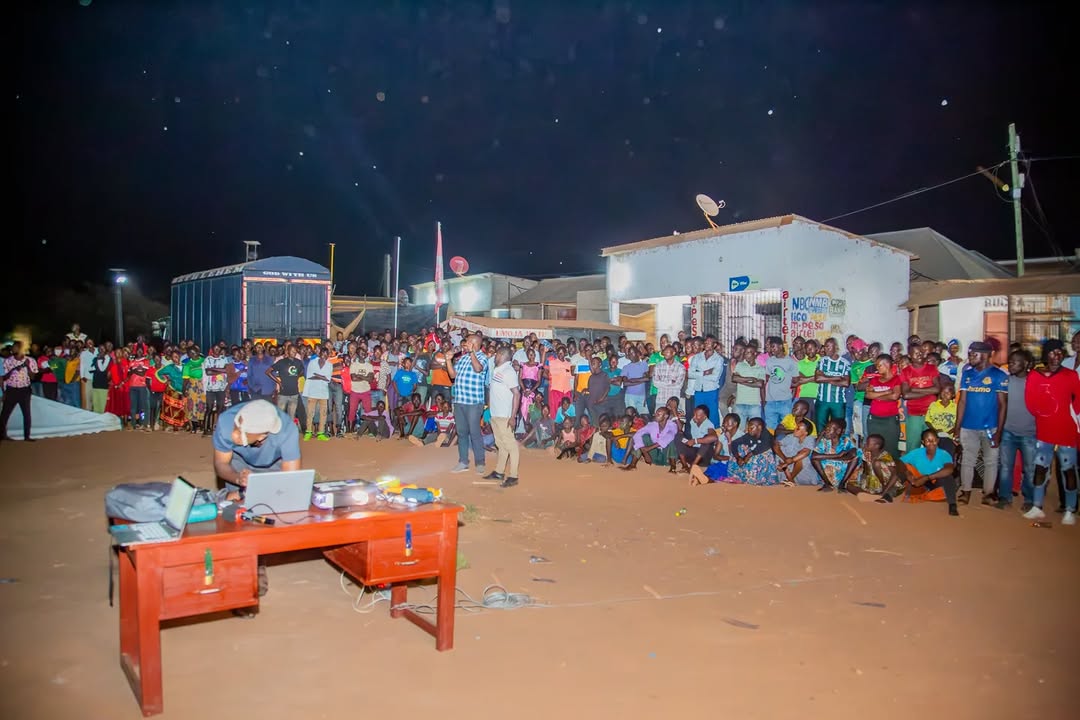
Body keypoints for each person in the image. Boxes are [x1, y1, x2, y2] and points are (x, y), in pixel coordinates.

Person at [1023, 339, 1080, 525]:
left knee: (1069, 470)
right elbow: (1030, 402)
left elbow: (1078, 402)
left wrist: (1072, 417)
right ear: (1045, 355)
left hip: (1066, 432)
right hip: (1044, 432)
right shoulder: (1035, 375)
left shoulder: (1070, 375)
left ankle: (1070, 509)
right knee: (1040, 469)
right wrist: (1044, 414)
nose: (1057, 356)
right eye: (1052, 353)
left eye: (1059, 352)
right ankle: (1037, 506)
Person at [952, 341, 1008, 505]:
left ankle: (988, 493)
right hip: (968, 426)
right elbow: (962, 402)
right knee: (967, 460)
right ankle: (966, 491)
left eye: (972, 354)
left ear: (984, 355)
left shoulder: (999, 375)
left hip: (990, 427)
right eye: (969, 354)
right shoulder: (967, 374)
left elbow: (1003, 405)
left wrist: (999, 432)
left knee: (991, 461)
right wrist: (957, 428)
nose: (969, 357)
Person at [212, 399, 302, 492]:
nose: (234, 434)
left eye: (242, 433)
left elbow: (290, 477)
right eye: (236, 425)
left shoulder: (287, 432)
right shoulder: (225, 421)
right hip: (239, 461)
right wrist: (238, 478)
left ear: (262, 436)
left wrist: (263, 484)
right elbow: (221, 463)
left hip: (273, 464)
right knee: (237, 502)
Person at [997, 349, 1038, 511]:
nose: (1010, 365)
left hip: (1030, 433)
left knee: (1030, 469)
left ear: (1026, 364)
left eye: (1015, 362)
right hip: (1008, 431)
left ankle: (1029, 499)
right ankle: (1004, 497)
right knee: (1006, 466)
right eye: (1010, 362)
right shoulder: (1007, 381)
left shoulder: (1034, 382)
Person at [448, 334, 489, 474]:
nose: (466, 343)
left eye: (469, 341)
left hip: (473, 402)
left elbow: (478, 369)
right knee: (462, 432)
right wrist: (448, 361)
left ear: (476, 344)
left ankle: (480, 462)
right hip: (459, 401)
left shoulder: (482, 357)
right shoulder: (463, 358)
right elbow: (453, 376)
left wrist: (471, 353)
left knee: (475, 432)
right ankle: (463, 461)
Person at [897, 429, 959, 515]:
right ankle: (892, 492)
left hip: (934, 481)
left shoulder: (943, 454)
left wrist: (927, 477)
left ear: (937, 440)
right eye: (927, 440)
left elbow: (949, 469)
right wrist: (908, 473)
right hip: (919, 481)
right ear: (923, 442)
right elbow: (900, 462)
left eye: (933, 440)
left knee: (948, 478)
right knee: (905, 467)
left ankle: (952, 504)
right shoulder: (917, 452)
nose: (931, 443)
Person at [486, 347, 521, 488]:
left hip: (505, 415)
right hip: (496, 414)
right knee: (500, 444)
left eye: (496, 354)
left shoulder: (509, 371)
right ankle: (499, 471)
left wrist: (513, 416)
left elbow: (517, 394)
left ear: (501, 355)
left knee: (511, 445)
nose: (494, 356)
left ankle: (513, 476)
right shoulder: (498, 370)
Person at [862, 354, 903, 459]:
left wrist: (876, 396)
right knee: (874, 448)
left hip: (890, 419)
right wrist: (886, 392)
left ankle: (891, 472)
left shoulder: (896, 379)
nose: (877, 368)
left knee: (891, 447)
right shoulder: (874, 380)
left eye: (879, 365)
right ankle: (874, 472)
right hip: (874, 418)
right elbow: (868, 395)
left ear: (887, 365)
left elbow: (895, 396)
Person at [900, 344, 940, 448]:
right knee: (913, 446)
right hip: (914, 414)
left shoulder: (932, 368)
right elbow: (906, 395)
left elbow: (937, 389)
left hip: (931, 414)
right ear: (909, 355)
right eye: (916, 353)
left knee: (932, 447)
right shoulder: (906, 371)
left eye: (921, 353)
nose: (920, 355)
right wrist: (929, 391)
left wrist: (914, 389)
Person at [620, 407, 679, 471]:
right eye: (656, 413)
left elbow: (668, 437)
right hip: (653, 456)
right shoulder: (652, 425)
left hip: (666, 457)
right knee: (644, 437)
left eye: (658, 414)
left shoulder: (672, 425)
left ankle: (673, 467)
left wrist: (648, 449)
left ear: (666, 416)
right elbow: (638, 434)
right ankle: (632, 465)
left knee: (672, 441)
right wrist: (644, 451)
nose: (655, 415)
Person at [0, 342, 37, 443]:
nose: (12, 349)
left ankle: (27, 436)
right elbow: (4, 377)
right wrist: (13, 369)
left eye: (15, 347)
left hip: (24, 390)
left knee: (26, 414)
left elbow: (33, 377)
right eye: (12, 347)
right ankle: (2, 435)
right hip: (11, 390)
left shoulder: (30, 360)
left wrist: (28, 367)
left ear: (21, 349)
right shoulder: (8, 361)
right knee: (4, 414)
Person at [811, 419, 859, 491]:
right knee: (814, 460)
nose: (826, 431)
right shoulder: (824, 441)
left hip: (841, 469)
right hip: (827, 471)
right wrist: (837, 455)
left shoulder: (846, 440)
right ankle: (827, 484)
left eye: (829, 429)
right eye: (826, 428)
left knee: (857, 457)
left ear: (838, 431)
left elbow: (853, 453)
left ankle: (842, 483)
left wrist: (835, 458)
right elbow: (814, 456)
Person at [814, 337, 851, 432]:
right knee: (821, 428)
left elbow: (846, 383)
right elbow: (818, 378)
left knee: (838, 428)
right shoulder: (822, 361)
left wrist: (825, 378)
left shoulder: (845, 363)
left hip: (838, 402)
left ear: (836, 347)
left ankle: (836, 446)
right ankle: (820, 446)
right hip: (822, 400)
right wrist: (837, 378)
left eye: (828, 346)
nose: (826, 349)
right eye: (825, 347)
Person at [846, 434, 899, 500]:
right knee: (848, 485)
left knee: (876, 463)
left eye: (868, 443)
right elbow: (866, 470)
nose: (865, 444)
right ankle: (871, 496)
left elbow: (895, 475)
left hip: (885, 485)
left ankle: (881, 494)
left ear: (876, 446)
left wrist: (883, 491)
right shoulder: (867, 453)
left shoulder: (885, 456)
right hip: (871, 484)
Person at [727, 418, 778, 485]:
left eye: (751, 428)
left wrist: (748, 456)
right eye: (748, 427)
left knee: (762, 454)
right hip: (751, 460)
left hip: (765, 464)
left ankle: (756, 479)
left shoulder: (767, 435)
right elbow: (734, 443)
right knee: (739, 448)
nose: (749, 429)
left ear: (759, 427)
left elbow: (761, 448)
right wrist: (738, 458)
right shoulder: (749, 435)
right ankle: (736, 477)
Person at [763, 337, 798, 431]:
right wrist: (764, 399)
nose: (772, 349)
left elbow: (795, 382)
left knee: (787, 427)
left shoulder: (791, 362)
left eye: (773, 347)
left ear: (781, 346)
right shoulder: (770, 361)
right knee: (770, 428)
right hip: (770, 400)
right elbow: (765, 379)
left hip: (785, 401)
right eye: (770, 347)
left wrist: (791, 399)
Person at [688, 337, 724, 425]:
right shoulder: (696, 357)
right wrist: (705, 373)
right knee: (698, 415)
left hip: (711, 390)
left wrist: (698, 374)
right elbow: (690, 374)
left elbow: (715, 377)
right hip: (698, 390)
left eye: (709, 342)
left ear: (714, 345)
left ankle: (715, 435)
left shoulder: (718, 359)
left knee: (712, 415)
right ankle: (699, 436)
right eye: (705, 342)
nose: (706, 344)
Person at [731, 345, 766, 431]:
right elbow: (734, 378)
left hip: (754, 404)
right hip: (740, 403)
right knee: (739, 430)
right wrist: (750, 379)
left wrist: (742, 381)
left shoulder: (760, 368)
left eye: (748, 353)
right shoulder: (740, 365)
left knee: (755, 430)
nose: (745, 355)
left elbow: (760, 384)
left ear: (754, 354)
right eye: (745, 353)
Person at [776, 418, 818, 486]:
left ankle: (790, 479)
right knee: (781, 449)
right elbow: (776, 445)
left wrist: (789, 461)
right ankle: (789, 479)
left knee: (803, 458)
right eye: (796, 427)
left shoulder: (810, 438)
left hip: (805, 475)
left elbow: (805, 452)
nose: (794, 429)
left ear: (805, 433)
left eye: (798, 428)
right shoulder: (791, 436)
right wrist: (785, 459)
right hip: (791, 468)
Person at [302, 346, 332, 441]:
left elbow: (328, 379)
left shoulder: (329, 365)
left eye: (326, 355)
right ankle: (308, 432)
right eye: (322, 354)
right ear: (319, 354)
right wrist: (322, 376)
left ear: (328, 356)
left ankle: (321, 433)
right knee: (310, 413)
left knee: (323, 414)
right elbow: (309, 376)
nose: (324, 356)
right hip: (312, 391)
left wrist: (316, 374)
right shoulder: (312, 362)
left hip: (323, 392)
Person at [676, 404, 719, 472]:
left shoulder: (709, 424)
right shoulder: (693, 421)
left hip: (704, 457)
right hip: (693, 452)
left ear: (705, 417)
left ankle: (693, 466)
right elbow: (680, 429)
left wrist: (695, 441)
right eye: (694, 414)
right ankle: (684, 465)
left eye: (697, 415)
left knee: (706, 439)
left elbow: (714, 437)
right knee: (678, 435)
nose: (694, 417)